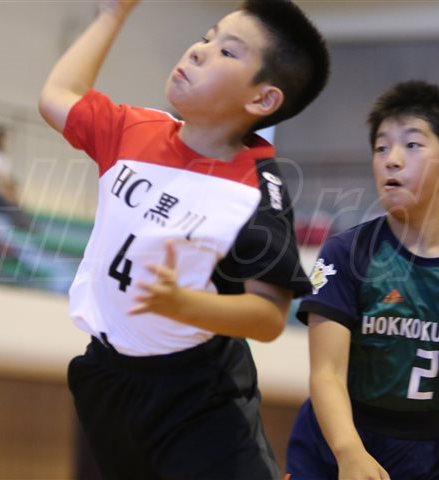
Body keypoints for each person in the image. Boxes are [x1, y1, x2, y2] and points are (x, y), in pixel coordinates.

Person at [38, 0, 329, 478]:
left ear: (263, 100)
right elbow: (57, 95)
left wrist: (183, 304)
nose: (198, 50)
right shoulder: (133, 129)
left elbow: (268, 317)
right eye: (207, 37)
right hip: (107, 377)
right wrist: (112, 15)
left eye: (227, 52)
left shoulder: (257, 191)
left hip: (196, 392)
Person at [286, 81, 439, 479]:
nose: (391, 160)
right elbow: (326, 373)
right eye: (381, 147)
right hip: (334, 446)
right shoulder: (347, 253)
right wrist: (349, 452)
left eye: (412, 145)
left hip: (425, 451)